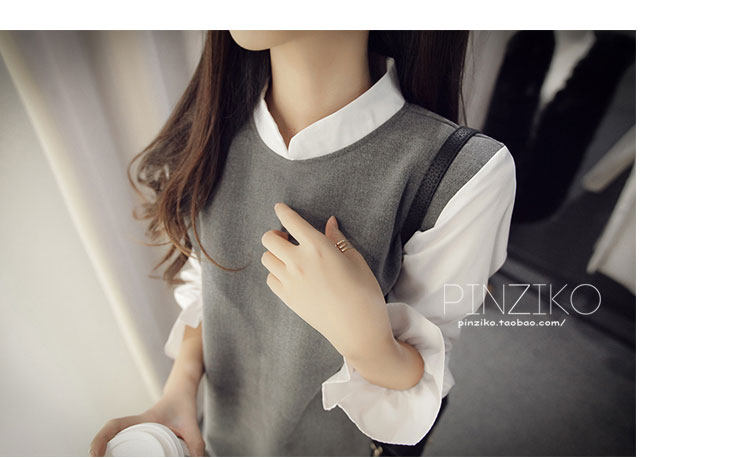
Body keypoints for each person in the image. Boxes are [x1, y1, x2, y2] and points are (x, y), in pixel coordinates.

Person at [90, 30, 516, 456]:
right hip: (221, 439)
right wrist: (180, 389)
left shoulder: (461, 174)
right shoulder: (209, 127)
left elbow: (426, 369)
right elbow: (207, 288)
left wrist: (367, 339)